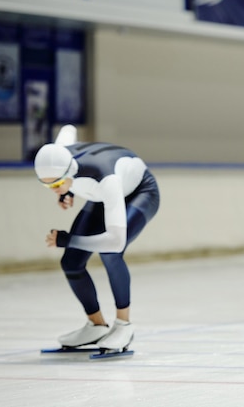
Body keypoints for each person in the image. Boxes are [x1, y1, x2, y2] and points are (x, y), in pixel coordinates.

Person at [34, 125, 160, 352]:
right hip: (101, 195)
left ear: (68, 172)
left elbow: (115, 240)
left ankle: (124, 324)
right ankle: (96, 325)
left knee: (110, 253)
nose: (53, 189)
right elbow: (68, 129)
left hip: (140, 192)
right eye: (46, 185)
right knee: (70, 263)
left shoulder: (106, 180)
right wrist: (67, 190)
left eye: (55, 184)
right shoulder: (59, 154)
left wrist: (68, 239)